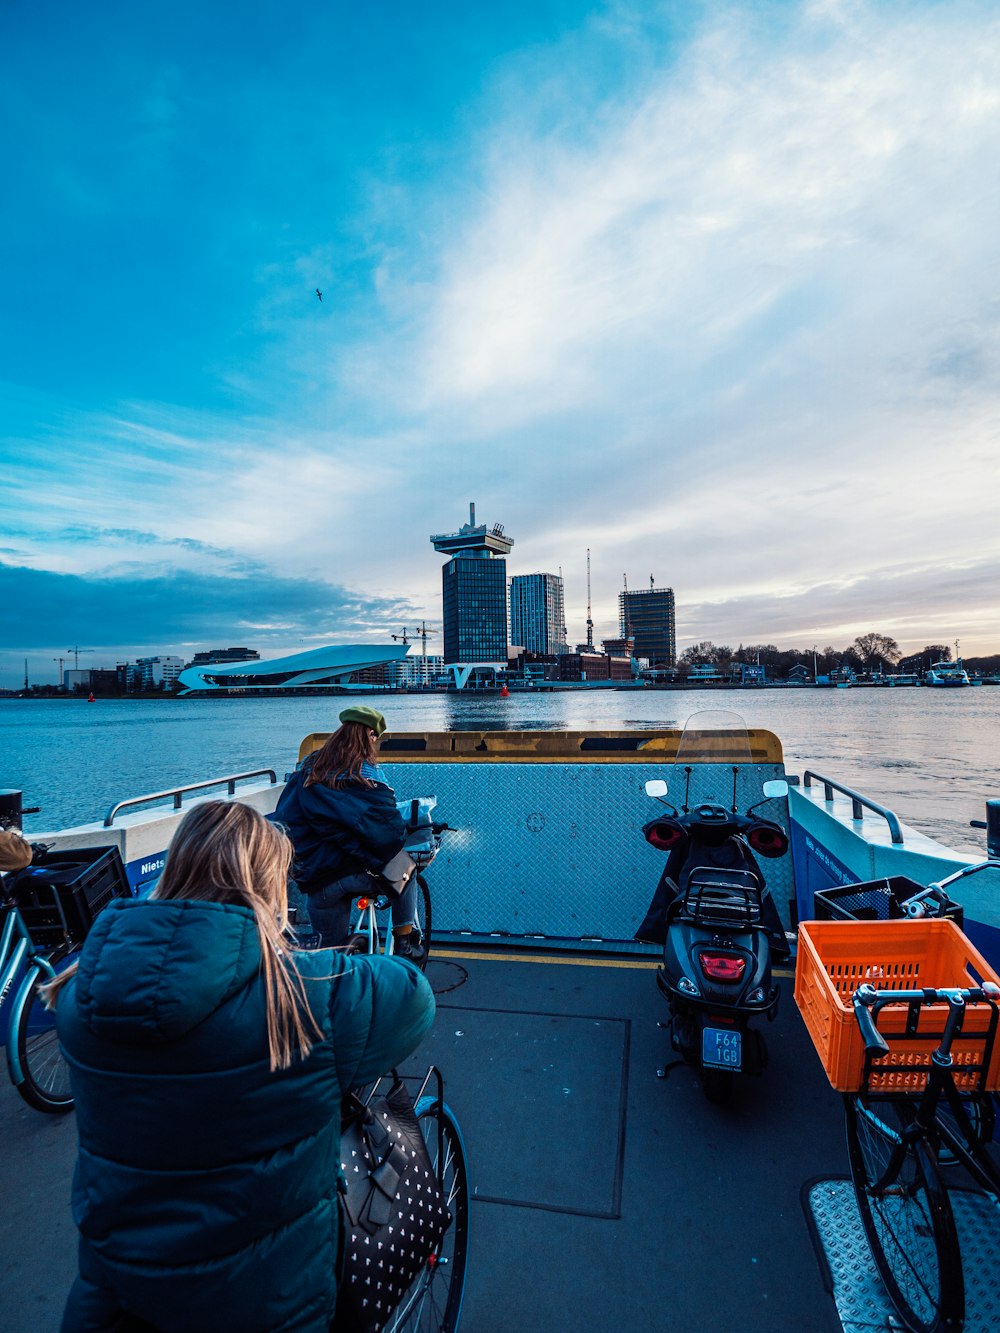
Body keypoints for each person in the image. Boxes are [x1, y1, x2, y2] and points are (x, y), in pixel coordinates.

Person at [48, 799, 435, 1333]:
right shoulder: (305, 998)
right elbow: (413, 997)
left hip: (123, 1297)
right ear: (269, 886)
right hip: (265, 1301)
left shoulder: (83, 999)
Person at [274, 705, 424, 961]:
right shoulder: (369, 774)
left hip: (318, 879)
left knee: (330, 957)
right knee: (408, 872)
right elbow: (388, 834)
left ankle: (332, 979)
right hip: (361, 874)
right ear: (369, 734)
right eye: (375, 737)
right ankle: (404, 944)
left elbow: (285, 820)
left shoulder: (308, 769)